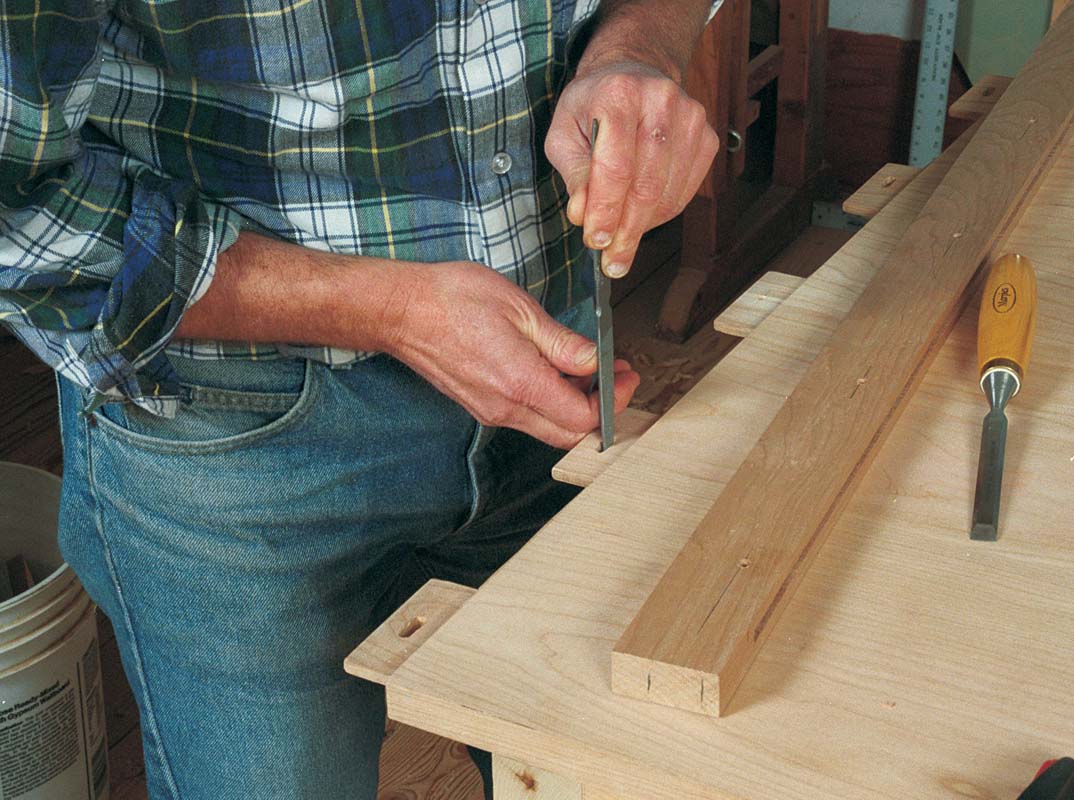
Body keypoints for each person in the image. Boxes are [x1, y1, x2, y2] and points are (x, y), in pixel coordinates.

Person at [0, 0, 719, 797]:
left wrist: (636, 50)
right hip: (232, 445)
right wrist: (394, 311)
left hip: (550, 391)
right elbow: (16, 214)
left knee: (604, 771)